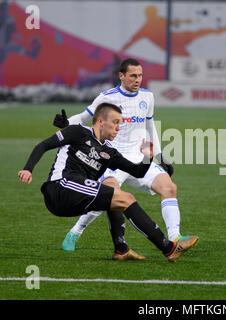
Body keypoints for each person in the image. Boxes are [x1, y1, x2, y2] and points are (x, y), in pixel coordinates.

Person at [18, 102, 198, 262]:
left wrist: (146, 158)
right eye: (116, 123)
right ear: (100, 121)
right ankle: (169, 249)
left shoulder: (109, 151)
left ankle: (121, 249)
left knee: (118, 198)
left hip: (74, 200)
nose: (118, 128)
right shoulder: (78, 132)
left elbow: (137, 171)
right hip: (59, 188)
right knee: (121, 196)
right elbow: (43, 145)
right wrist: (28, 168)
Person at [53, 58, 197, 255]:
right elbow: (84, 117)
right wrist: (65, 122)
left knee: (169, 187)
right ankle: (75, 232)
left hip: (138, 159)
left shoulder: (148, 96)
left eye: (140, 76)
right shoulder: (107, 97)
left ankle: (175, 238)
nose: (138, 80)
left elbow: (150, 126)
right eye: (133, 76)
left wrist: (161, 155)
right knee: (107, 198)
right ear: (121, 76)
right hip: (112, 160)